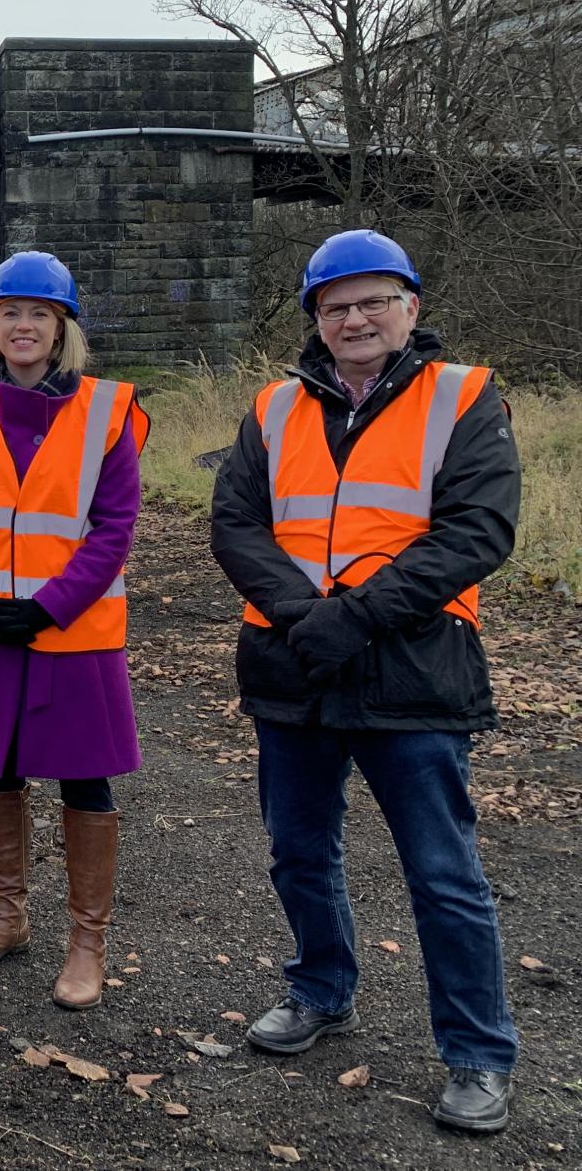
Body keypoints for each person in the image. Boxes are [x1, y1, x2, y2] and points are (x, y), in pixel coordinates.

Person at [211, 230, 520, 1134]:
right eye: (336, 305)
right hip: (295, 667)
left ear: (410, 308)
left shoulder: (462, 397)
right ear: (315, 318)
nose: (355, 318)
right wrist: (311, 618)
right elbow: (237, 523)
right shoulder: (273, 408)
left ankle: (477, 1052)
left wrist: (355, 616)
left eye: (374, 300)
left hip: (415, 672)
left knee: (442, 871)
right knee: (299, 851)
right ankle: (320, 990)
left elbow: (476, 531)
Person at [0, 251, 148, 1010]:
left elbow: (114, 527)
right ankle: (7, 916)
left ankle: (87, 943)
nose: (23, 326)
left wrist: (49, 607)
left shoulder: (108, 411)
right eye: (9, 313)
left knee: (84, 774)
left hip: (71, 632)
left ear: (62, 329)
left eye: (39, 314)